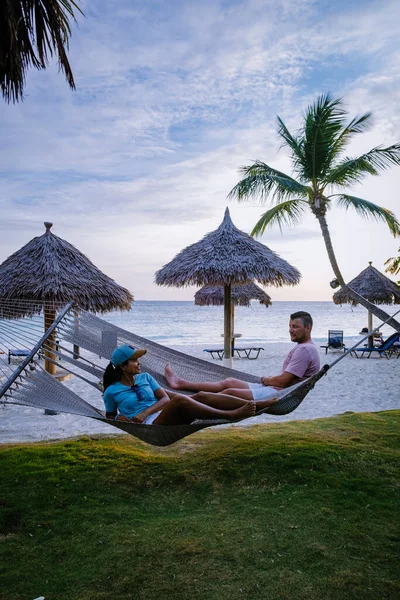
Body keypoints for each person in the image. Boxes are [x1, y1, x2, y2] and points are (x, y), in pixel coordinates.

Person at [103, 345, 279, 426]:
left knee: (201, 395)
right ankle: (231, 415)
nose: (139, 363)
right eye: (134, 360)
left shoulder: (146, 377)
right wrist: (120, 419)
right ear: (122, 366)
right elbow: (110, 416)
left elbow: (164, 398)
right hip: (152, 426)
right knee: (180, 399)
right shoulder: (111, 392)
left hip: (161, 413)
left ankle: (259, 405)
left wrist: (146, 411)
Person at [164, 311, 320, 402]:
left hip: (278, 394)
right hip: (276, 389)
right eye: (290, 326)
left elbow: (283, 381)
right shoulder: (306, 347)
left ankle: (183, 401)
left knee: (230, 392)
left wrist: (265, 380)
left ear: (308, 328)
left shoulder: (304, 350)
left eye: (296, 327)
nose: (291, 330)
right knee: (229, 382)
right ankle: (180, 383)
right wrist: (269, 381)